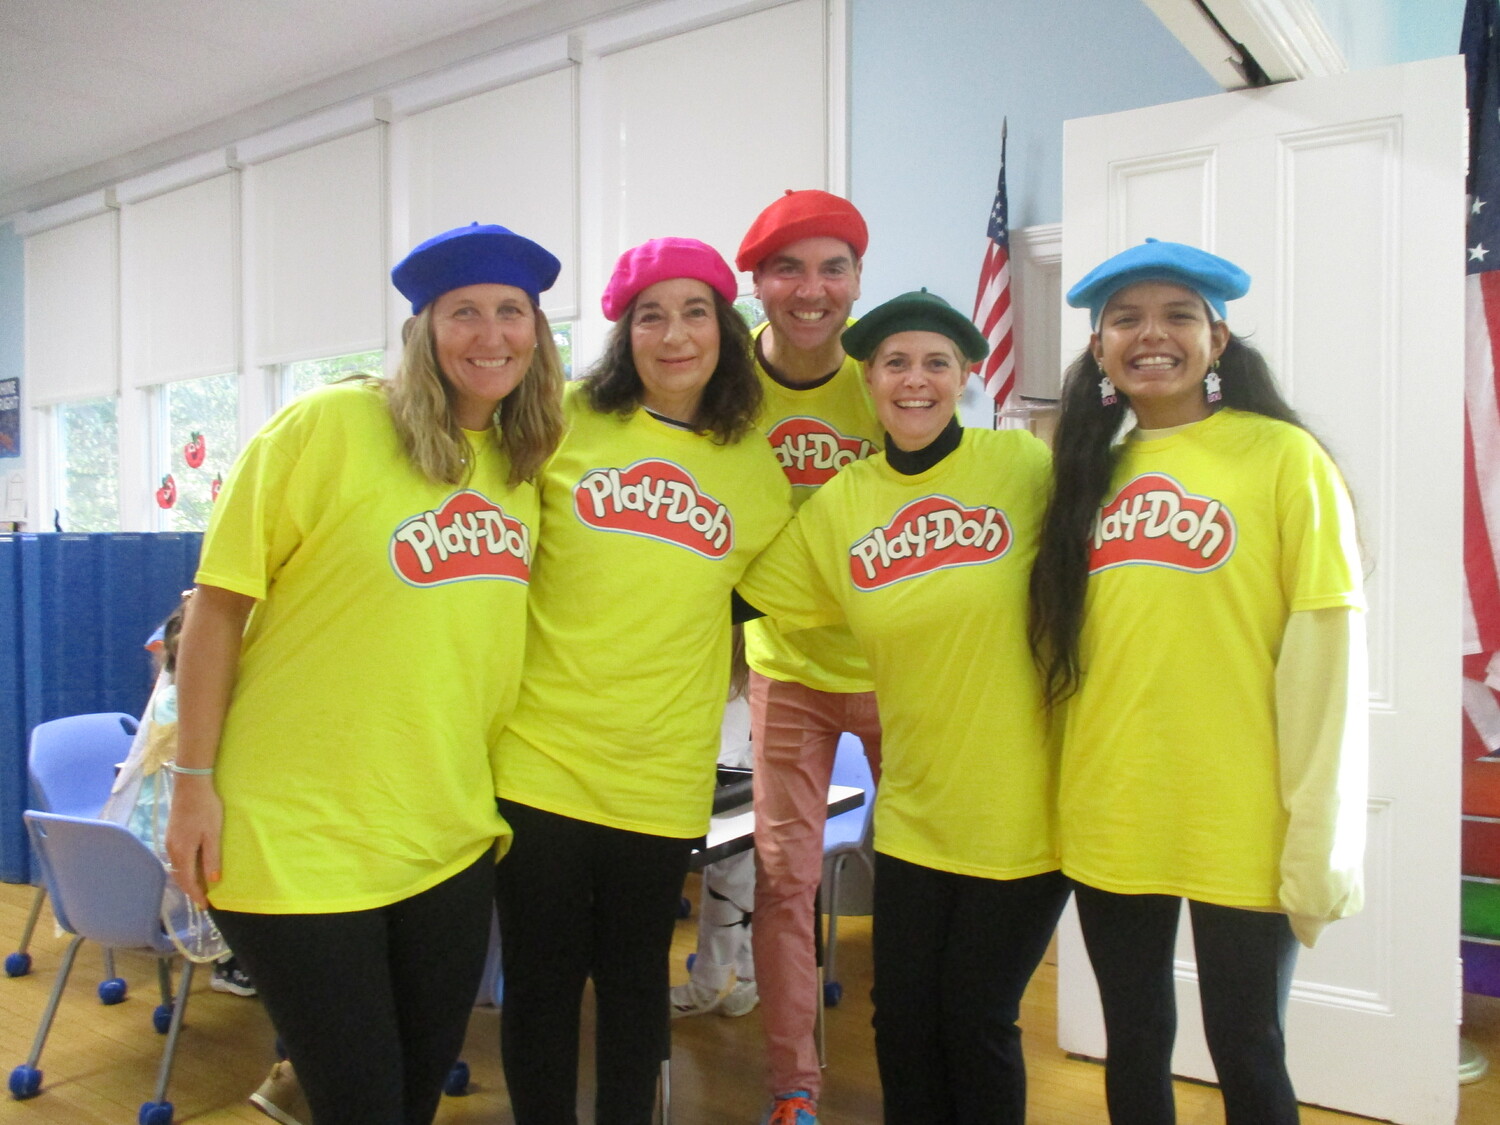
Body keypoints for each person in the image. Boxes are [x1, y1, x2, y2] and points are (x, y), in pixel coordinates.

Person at [164, 221, 566, 1125]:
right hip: (295, 833)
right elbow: (216, 609)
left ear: (537, 334)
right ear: (423, 329)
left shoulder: (523, 463)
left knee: (413, 1095)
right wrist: (190, 783)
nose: (490, 335)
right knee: (363, 1103)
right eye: (464, 312)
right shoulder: (328, 425)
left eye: (512, 312)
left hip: (446, 833)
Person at [1028, 239, 1368, 1125]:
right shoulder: (1083, 474)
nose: (1152, 335)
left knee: (1248, 1045)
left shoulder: (1284, 459)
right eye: (1125, 319)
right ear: (1099, 348)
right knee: (1132, 1039)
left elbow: (1327, 656)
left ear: (1218, 339)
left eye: (1178, 315)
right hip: (1113, 806)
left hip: (1242, 812)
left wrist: (1318, 831)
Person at [738, 290, 1067, 1125]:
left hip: (1020, 807)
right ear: (869, 379)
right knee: (903, 1021)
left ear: (966, 374)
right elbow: (735, 590)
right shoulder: (844, 502)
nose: (913, 381)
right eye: (894, 363)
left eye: (934, 363)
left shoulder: (1022, 469)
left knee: (977, 1019)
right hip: (916, 810)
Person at [490, 237, 792, 1125]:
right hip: (538, 760)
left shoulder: (751, 465)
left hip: (660, 773)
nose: (674, 334)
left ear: (726, 329)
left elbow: (791, 595)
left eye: (695, 311)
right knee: (542, 983)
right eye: (650, 315)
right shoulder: (560, 419)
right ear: (625, 332)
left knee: (633, 985)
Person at [734, 189, 885, 1125]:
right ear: (757, 283)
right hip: (784, 666)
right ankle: (794, 1087)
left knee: (921, 866)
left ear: (857, 280)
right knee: (786, 877)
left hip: (898, 664)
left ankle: (913, 1048)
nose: (812, 289)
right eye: (789, 268)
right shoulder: (719, 381)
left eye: (833, 267)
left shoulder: (885, 373)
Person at [669, 627, 758, 1020]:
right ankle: (745, 977)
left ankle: (711, 983)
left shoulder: (742, 668)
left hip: (743, 789)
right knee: (738, 878)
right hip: (715, 782)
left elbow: (731, 755)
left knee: (733, 876)